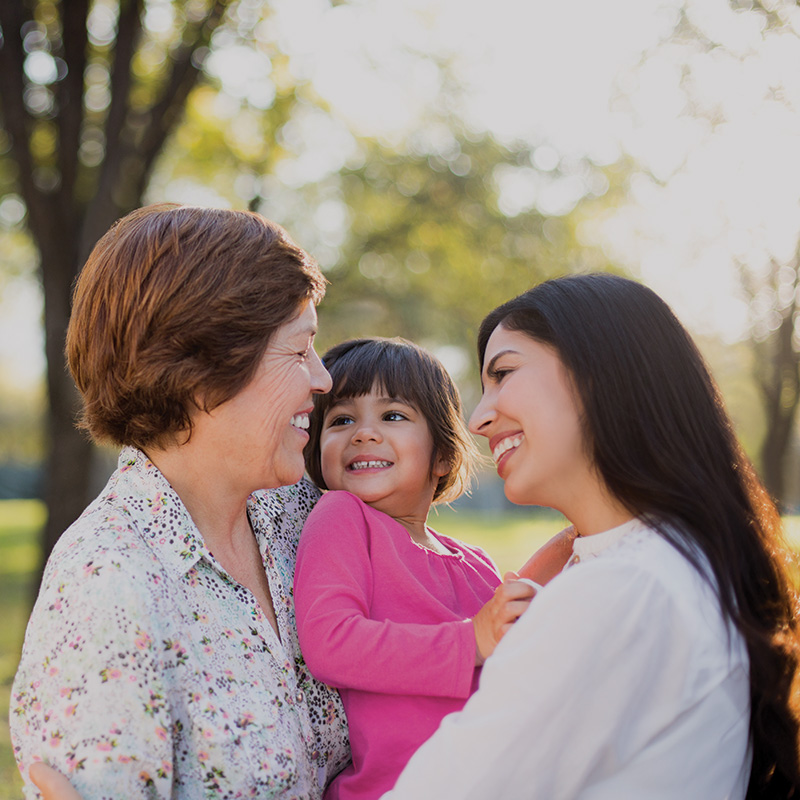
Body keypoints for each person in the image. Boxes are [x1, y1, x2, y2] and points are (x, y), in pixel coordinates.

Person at [383, 273, 800, 799]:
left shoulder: (624, 589)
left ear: (601, 373)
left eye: (504, 373)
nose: (480, 418)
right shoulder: (679, 561)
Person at [10, 204, 350, 798]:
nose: (322, 380)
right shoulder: (107, 583)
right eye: (299, 352)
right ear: (203, 371)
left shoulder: (300, 516)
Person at [294, 337, 543, 800]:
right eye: (342, 419)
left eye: (393, 416)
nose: (363, 433)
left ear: (444, 456)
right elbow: (330, 643)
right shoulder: (344, 518)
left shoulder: (473, 562)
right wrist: (470, 641)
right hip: (395, 787)